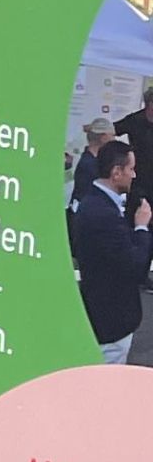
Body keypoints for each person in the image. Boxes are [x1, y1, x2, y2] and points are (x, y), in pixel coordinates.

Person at [71, 138, 151, 362]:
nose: (134, 175)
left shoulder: (93, 203)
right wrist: (141, 227)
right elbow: (135, 266)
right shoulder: (104, 215)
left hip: (102, 311)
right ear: (117, 172)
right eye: (131, 169)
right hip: (112, 319)